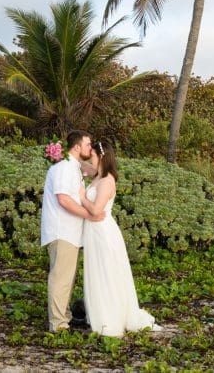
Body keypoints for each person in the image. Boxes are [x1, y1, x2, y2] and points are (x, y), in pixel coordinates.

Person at [79, 141, 160, 336]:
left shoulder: (107, 181)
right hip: (94, 232)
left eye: (93, 154)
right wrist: (63, 156)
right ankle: (101, 311)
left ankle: (110, 317)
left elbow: (97, 209)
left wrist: (82, 197)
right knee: (98, 273)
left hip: (103, 233)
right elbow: (83, 167)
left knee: (106, 274)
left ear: (101, 157)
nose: (90, 156)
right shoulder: (98, 175)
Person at [40, 129, 104, 332]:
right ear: (77, 147)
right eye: (87, 144)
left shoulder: (73, 166)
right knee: (60, 279)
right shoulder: (64, 168)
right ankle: (58, 324)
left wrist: (96, 158)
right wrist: (89, 215)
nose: (90, 147)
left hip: (71, 233)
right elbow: (64, 199)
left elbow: (94, 171)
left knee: (67, 278)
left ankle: (64, 316)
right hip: (62, 230)